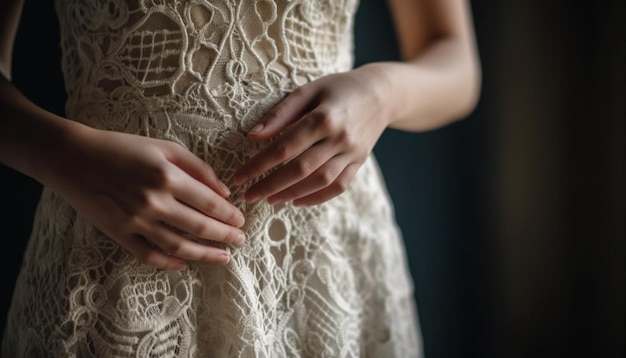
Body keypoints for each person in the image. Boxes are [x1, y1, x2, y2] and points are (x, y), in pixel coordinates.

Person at [0, 0, 480, 356]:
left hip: (320, 266)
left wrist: (382, 92)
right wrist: (68, 158)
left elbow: (455, 60)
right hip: (119, 253)